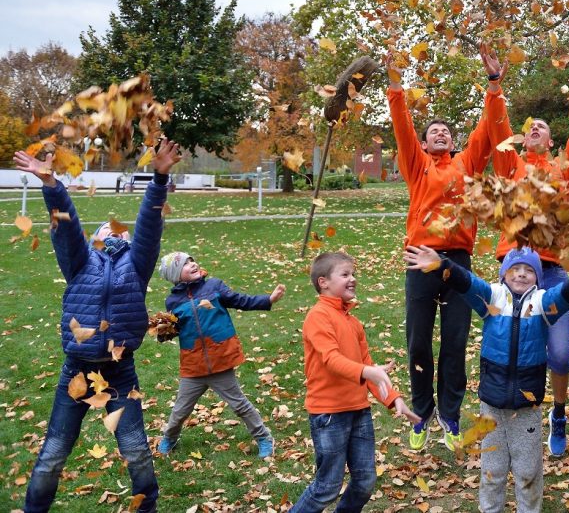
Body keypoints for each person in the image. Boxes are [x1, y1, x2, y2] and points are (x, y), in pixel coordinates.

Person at [15, 139, 182, 513]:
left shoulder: (135, 267)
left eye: (118, 229)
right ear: (94, 240)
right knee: (53, 456)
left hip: (120, 373)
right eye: (105, 228)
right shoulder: (78, 263)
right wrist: (52, 185)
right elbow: (67, 227)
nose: (113, 229)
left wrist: (159, 177)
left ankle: (147, 508)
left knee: (137, 452)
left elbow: (149, 227)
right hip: (77, 371)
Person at [404, 245, 569, 513]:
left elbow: (566, 294)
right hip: (492, 406)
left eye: (529, 270)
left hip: (527, 409)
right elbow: (467, 281)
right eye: (515, 269)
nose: (521, 274)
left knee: (528, 473)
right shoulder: (493, 298)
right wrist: (442, 265)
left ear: (538, 276)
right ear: (503, 273)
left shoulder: (543, 303)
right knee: (492, 471)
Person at [485, 52, 569, 457]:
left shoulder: (563, 170)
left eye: (542, 126)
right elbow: (497, 125)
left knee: (558, 353)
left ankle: (558, 414)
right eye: (531, 127)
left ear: (552, 140)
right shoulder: (511, 168)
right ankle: (507, 413)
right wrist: (494, 86)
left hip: (553, 274)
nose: (536, 128)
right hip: (513, 271)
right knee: (509, 349)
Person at [387, 53, 505, 451]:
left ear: (453, 141)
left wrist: (493, 84)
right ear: (424, 142)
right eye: (433, 131)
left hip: (457, 261)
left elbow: (486, 132)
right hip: (420, 257)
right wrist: (396, 87)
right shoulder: (417, 165)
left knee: (455, 341)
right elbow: (402, 128)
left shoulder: (467, 165)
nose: (440, 134)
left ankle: (449, 415)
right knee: (419, 341)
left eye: (445, 132)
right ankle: (422, 412)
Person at [291, 251, 419, 513]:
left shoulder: (353, 322)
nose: (353, 279)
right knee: (327, 486)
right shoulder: (318, 317)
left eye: (353, 274)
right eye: (345, 274)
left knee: (365, 480)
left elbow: (369, 368)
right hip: (329, 414)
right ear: (323, 282)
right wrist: (367, 372)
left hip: (359, 411)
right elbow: (331, 360)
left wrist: (393, 398)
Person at [155, 251, 286, 458]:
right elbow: (175, 328)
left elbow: (240, 300)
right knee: (180, 411)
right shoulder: (173, 301)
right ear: (176, 275)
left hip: (220, 360)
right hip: (193, 365)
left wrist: (267, 300)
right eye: (185, 265)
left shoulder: (213, 286)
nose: (193, 264)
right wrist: (163, 332)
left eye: (193, 260)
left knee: (239, 404)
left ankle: (264, 437)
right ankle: (170, 438)